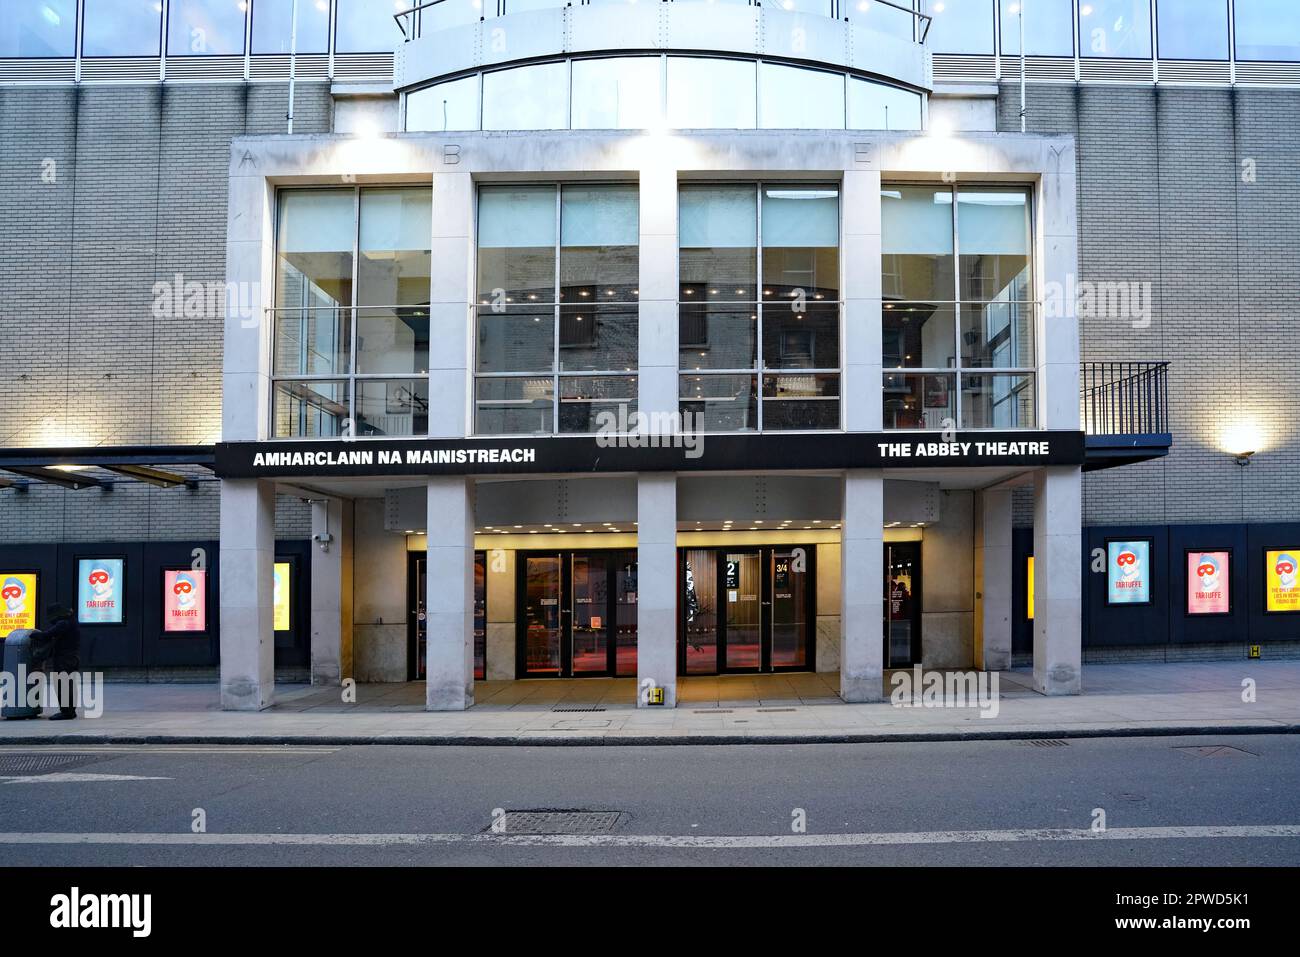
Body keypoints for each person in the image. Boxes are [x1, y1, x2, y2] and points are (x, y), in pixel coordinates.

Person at [35, 603, 80, 720]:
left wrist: (33, 634)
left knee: (62, 685)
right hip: (72, 658)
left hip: (64, 659)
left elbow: (47, 635)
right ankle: (70, 711)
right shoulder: (72, 620)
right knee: (69, 684)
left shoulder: (63, 623)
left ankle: (66, 712)